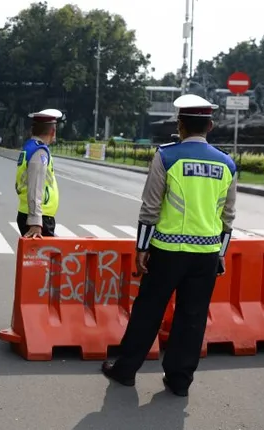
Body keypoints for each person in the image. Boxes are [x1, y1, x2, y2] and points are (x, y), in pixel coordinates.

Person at [101, 94, 237, 397]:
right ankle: (179, 381)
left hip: (166, 251)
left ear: (180, 125)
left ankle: (125, 370)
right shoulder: (227, 163)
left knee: (148, 310)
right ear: (211, 126)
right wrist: (221, 253)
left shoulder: (167, 157)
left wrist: (141, 248)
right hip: (205, 254)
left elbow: (150, 207)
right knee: (192, 317)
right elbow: (228, 216)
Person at [15, 109, 63, 238]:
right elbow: (35, 187)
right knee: (43, 257)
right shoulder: (39, 151)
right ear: (53, 131)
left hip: (30, 213)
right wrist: (36, 222)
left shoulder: (30, 147)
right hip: (39, 218)